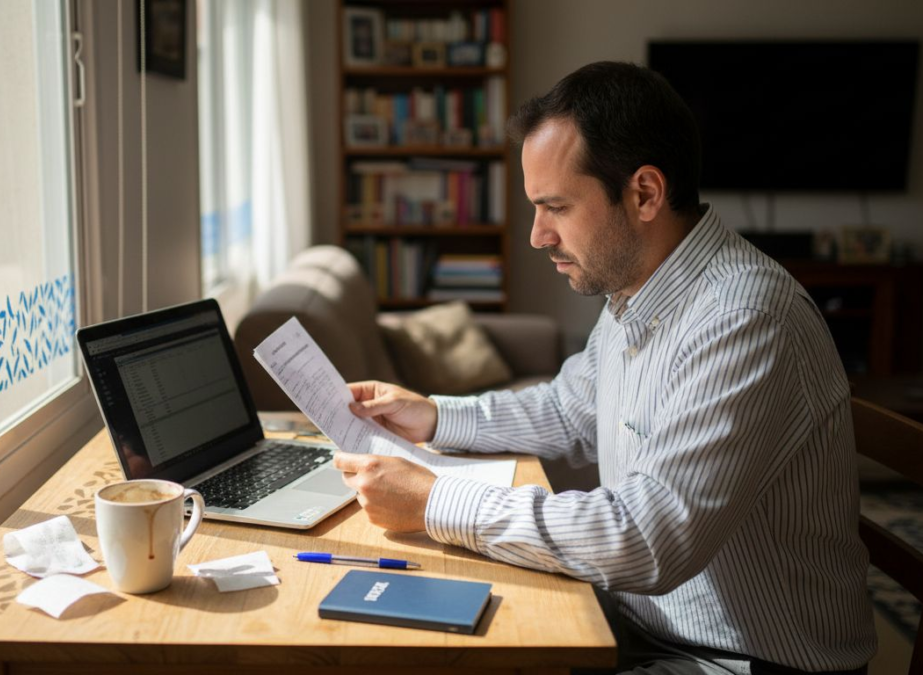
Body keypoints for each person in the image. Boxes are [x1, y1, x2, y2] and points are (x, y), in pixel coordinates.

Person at [333, 62, 875, 675]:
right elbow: (569, 408)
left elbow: (648, 539)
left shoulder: (744, 319)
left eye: (555, 207)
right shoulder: (638, 289)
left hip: (742, 661)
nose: (538, 236)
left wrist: (435, 501)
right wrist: (433, 416)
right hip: (646, 621)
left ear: (644, 193)